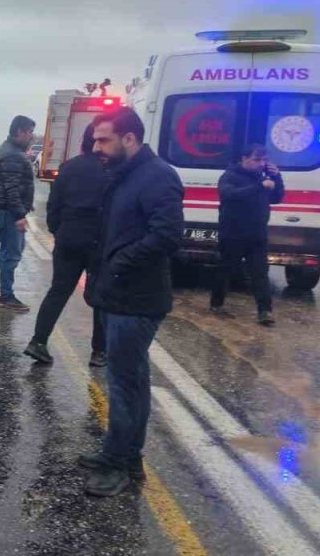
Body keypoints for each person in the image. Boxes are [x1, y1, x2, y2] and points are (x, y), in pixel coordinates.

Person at [80, 107, 183, 497]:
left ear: (129, 138)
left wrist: (121, 263)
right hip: (117, 293)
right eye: (94, 140)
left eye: (103, 139)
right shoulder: (125, 174)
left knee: (125, 385)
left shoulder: (157, 177)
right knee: (129, 382)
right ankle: (126, 455)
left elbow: (167, 235)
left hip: (136, 299)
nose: (96, 147)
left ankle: (117, 464)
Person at [24, 124, 109, 367]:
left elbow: (54, 205)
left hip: (68, 238)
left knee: (58, 291)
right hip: (98, 240)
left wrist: (58, 231)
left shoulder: (69, 167)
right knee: (99, 296)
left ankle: (38, 341)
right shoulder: (111, 170)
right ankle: (99, 352)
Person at [211, 144, 284, 325]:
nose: (261, 164)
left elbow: (277, 197)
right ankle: (216, 303)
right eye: (257, 159)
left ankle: (265, 311)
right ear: (244, 159)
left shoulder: (264, 176)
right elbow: (230, 194)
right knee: (226, 270)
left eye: (264, 160)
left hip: (257, 234)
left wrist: (277, 177)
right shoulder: (230, 175)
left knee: (259, 273)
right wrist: (259, 186)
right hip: (233, 233)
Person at [0, 115, 36, 312]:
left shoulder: (12, 151)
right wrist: (19, 214)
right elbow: (11, 188)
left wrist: (25, 203)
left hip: (6, 210)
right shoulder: (12, 154)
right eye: (29, 132)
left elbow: (16, 185)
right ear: (20, 131)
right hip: (7, 212)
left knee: (9, 250)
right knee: (11, 253)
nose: (31, 136)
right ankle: (6, 296)